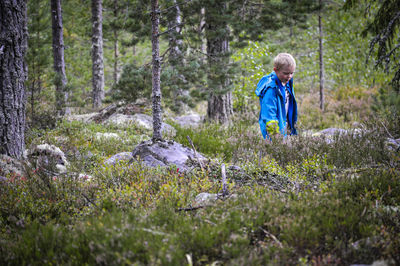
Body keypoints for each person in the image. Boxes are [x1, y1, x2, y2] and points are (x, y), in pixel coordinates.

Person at [255, 53, 298, 140]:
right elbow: (269, 116)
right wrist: (276, 137)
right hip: (274, 134)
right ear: (275, 70)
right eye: (286, 73)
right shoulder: (271, 90)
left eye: (291, 73)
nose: (289, 76)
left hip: (285, 127)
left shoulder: (287, 82)